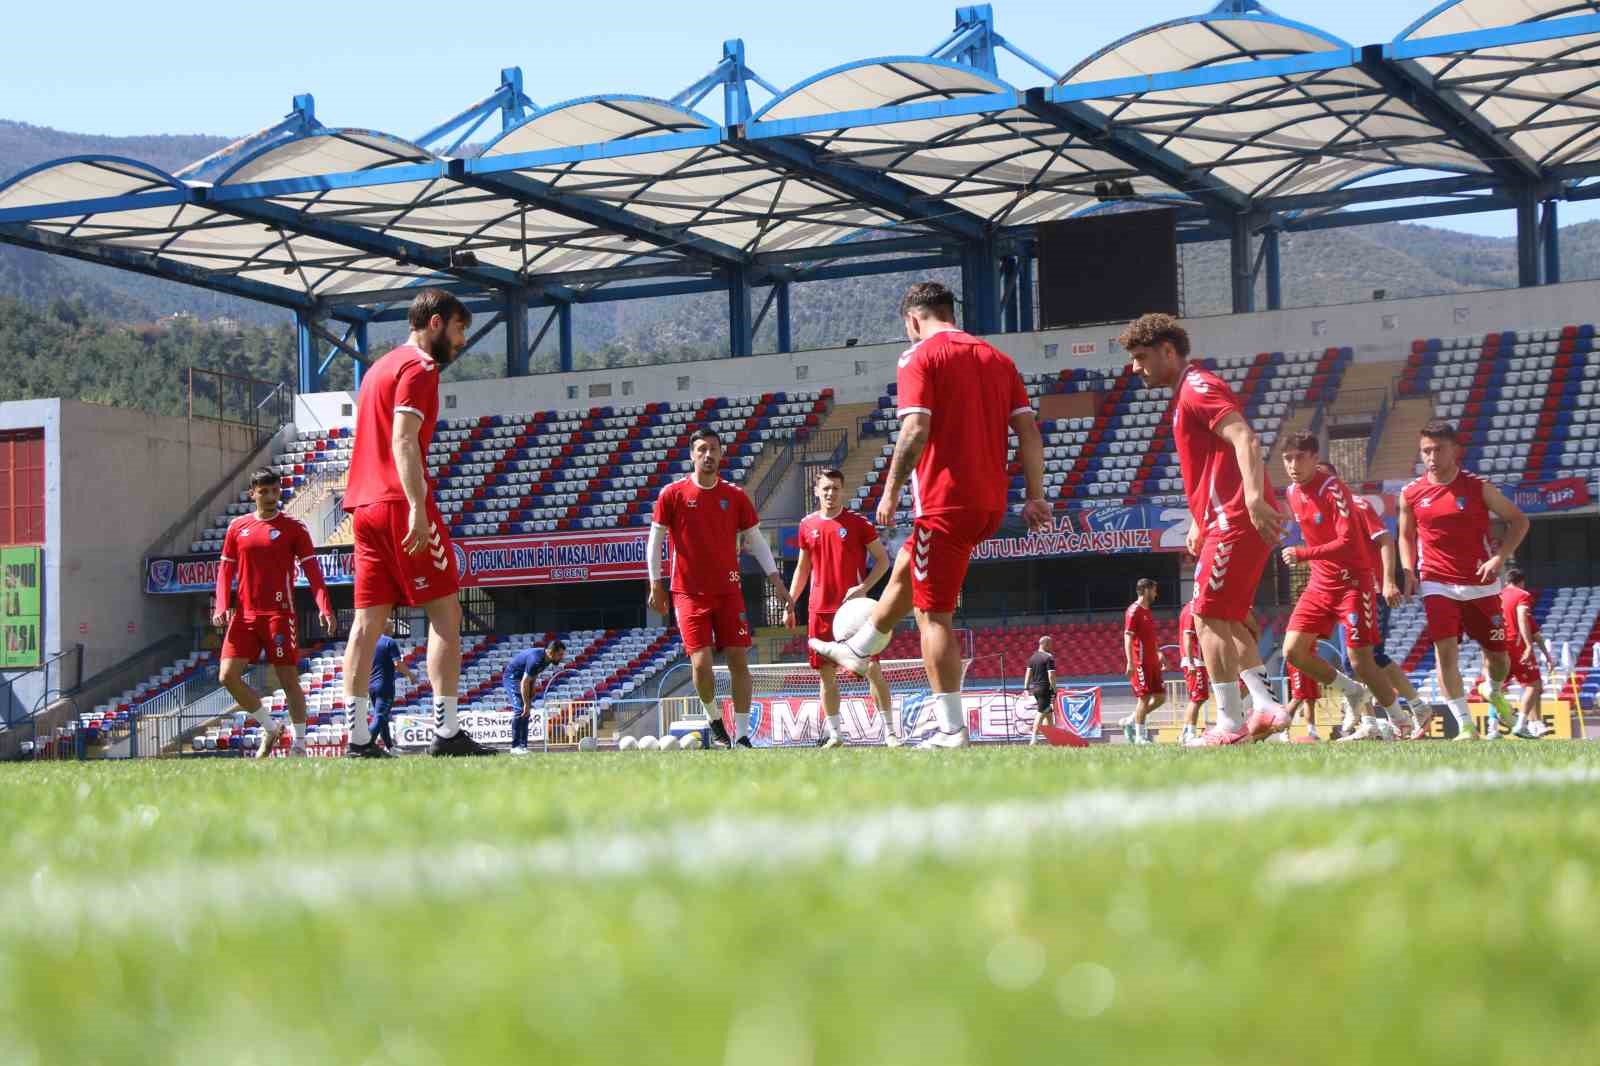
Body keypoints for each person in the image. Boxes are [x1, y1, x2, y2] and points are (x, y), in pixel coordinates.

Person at [809, 282, 1051, 749]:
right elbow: (1029, 432)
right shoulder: (999, 360)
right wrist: (1036, 495)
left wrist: (890, 490)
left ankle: (951, 730)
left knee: (931, 614)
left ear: (912, 319)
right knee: (906, 567)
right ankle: (859, 648)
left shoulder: (918, 356)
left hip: (944, 502)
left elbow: (915, 429)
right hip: (989, 504)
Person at [340, 288, 492, 758]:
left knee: (366, 623)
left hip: (362, 506)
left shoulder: (377, 369)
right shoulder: (421, 368)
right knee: (445, 614)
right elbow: (404, 440)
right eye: (459, 329)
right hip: (397, 502)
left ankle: (357, 740)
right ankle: (446, 733)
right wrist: (417, 507)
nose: (462, 341)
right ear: (436, 323)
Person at [1122, 314, 1286, 746]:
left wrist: (1254, 499)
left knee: (1205, 615)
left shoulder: (1197, 388)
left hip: (1233, 519)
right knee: (1226, 617)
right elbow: (1214, 463)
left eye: (1141, 357)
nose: (1135, 367)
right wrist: (1198, 520)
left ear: (1168, 352)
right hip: (1221, 519)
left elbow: (1245, 439)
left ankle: (1230, 724)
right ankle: (1267, 706)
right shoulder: (1186, 393)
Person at [648, 428, 791, 749]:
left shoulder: (735, 496)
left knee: (739, 660)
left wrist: (777, 581)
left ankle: (741, 735)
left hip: (728, 592)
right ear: (692, 455)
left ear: (722, 453)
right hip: (687, 593)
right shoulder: (672, 494)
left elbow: (757, 541)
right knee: (701, 664)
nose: (708, 454)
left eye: (714, 448)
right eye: (702, 449)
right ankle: (714, 719)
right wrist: (655, 583)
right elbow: (655, 540)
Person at [1398, 420, 1530, 741]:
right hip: (1436, 583)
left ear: (1455, 450)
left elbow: (1519, 521)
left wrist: (1499, 558)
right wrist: (1408, 570)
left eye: (1438, 449)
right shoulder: (1411, 493)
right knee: (1445, 653)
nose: (1431, 457)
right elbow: (1405, 535)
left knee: (1499, 658)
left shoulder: (1478, 487)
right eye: (1425, 451)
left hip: (1480, 583)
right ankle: (1465, 726)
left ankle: (1492, 688)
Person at [1278, 434, 1408, 743]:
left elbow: (1347, 541)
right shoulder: (1292, 492)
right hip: (1320, 584)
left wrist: (1303, 554)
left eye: (1300, 457)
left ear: (1314, 458)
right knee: (1293, 652)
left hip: (1352, 583)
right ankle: (1352, 692)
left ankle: (1401, 720)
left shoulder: (1333, 489)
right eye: (1288, 459)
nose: (1293, 465)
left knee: (1361, 660)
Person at [213, 468, 336, 759]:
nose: (270, 496)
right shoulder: (237, 527)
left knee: (288, 680)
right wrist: (221, 606)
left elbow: (313, 571)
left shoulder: (294, 528)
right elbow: (225, 570)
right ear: (252, 494)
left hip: (279, 616)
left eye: (275, 490)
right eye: (264, 491)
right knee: (227, 676)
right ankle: (270, 728)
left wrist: (325, 607)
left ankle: (300, 745)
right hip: (244, 615)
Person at [786, 468, 897, 749]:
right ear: (816, 491)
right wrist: (791, 602)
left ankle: (890, 733)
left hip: (854, 615)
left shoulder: (858, 523)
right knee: (827, 676)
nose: (830, 493)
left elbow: (883, 561)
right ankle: (836, 735)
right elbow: (802, 568)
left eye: (835, 488)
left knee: (872, 670)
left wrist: (863, 588)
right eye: (825, 488)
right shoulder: (807, 525)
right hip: (820, 611)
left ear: (842, 491)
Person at [1499, 567, 1552, 739]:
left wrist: (1546, 654)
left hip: (1498, 645)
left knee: (1496, 687)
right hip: (1517, 645)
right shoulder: (1522, 595)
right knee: (1534, 685)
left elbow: (1534, 631)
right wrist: (1528, 645)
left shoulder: (1497, 596)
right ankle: (1521, 724)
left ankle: (1535, 723)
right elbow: (1522, 617)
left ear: (1506, 581)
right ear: (1521, 582)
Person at [1122, 578, 1166, 745]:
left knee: (1160, 697)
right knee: (1144, 697)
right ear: (1146, 590)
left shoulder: (1147, 611)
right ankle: (1140, 737)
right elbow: (1128, 637)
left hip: (1152, 661)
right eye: (1154, 590)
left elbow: (1150, 637)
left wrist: (1158, 652)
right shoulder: (1133, 611)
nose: (1156, 594)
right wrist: (1130, 662)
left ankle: (1131, 720)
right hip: (1140, 662)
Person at [503, 640, 567, 755]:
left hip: (524, 679)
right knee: (520, 710)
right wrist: (526, 703)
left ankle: (523, 746)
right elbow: (524, 682)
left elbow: (534, 673)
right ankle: (515, 747)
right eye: (560, 654)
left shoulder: (547, 659)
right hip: (513, 678)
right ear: (551, 652)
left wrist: (532, 687)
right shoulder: (535, 659)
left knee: (526, 713)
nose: (562, 657)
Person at [368, 619, 416, 751]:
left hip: (372, 685)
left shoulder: (371, 642)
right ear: (385, 627)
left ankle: (390, 747)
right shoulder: (389, 642)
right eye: (392, 626)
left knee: (382, 717)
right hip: (385, 685)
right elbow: (397, 664)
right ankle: (366, 744)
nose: (393, 630)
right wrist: (410, 675)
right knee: (380, 716)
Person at [1177, 601, 1206, 745]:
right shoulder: (1191, 609)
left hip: (1197, 660)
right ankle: (1189, 733)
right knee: (1197, 698)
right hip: (1195, 660)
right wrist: (1191, 662)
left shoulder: (1189, 608)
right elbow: (1187, 636)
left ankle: (1185, 732)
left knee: (1198, 698)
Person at [1024, 636, 1057, 746]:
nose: (1051, 646)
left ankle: (1053, 739)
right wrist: (1054, 688)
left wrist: (1026, 688)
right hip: (1045, 689)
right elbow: (1051, 675)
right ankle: (1033, 739)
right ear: (1045, 644)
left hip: (1036, 689)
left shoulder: (1032, 658)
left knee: (1049, 714)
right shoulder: (1049, 657)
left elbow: (1028, 673)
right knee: (1041, 713)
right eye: (1050, 644)